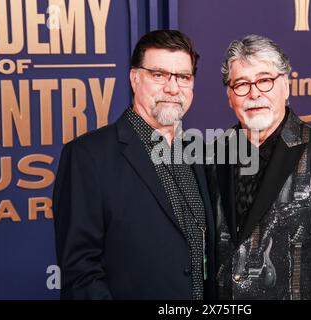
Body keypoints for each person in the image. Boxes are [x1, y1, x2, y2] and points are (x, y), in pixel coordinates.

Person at [53, 30, 215, 299]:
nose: (172, 88)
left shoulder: (198, 153)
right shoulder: (87, 156)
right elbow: (80, 272)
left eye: (183, 77)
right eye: (158, 75)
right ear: (134, 78)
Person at [207, 35, 311, 299]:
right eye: (242, 84)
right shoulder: (213, 155)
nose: (254, 93)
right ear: (229, 96)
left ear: (286, 86)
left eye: (265, 80)